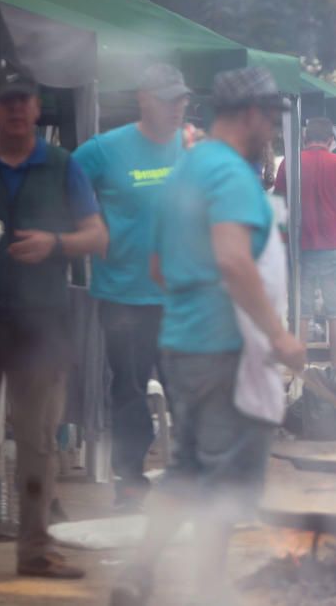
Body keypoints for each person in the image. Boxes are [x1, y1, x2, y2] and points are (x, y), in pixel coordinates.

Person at [111, 67, 305, 606]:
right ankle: (208, 589)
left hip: (179, 341)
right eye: (268, 116)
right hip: (223, 349)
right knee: (222, 476)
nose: (270, 126)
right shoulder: (230, 175)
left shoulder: (184, 171)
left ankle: (141, 571)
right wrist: (279, 336)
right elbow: (233, 260)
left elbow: (157, 269)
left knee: (189, 465)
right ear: (249, 114)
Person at [0, 66, 108, 578]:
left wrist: (54, 244)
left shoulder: (62, 165)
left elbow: (97, 236)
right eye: (6, 101)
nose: (16, 109)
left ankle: (35, 551)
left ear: (36, 108)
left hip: (41, 326)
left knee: (37, 443)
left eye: (24, 100)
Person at [73, 63, 190, 511]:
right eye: (169, 99)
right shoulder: (105, 150)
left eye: (182, 99)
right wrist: (89, 229)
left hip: (183, 297)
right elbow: (64, 186)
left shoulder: (192, 147)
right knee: (129, 389)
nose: (178, 108)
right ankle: (131, 481)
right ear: (145, 99)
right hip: (124, 295)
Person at [274, 116, 336, 370]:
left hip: (299, 247)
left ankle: (297, 371)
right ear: (331, 140)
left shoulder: (289, 165)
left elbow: (278, 208)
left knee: (301, 312)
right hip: (335, 246)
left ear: (304, 138)